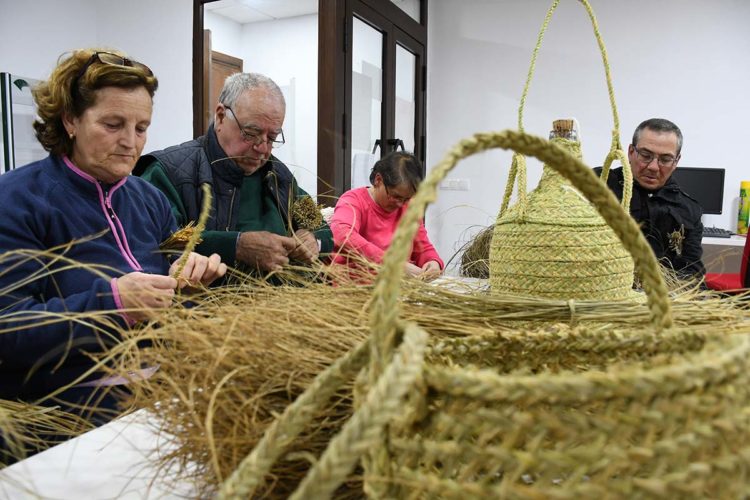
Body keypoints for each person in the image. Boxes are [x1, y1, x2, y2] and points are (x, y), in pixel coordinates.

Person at [0, 49, 227, 426]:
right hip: (66, 411)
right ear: (70, 119)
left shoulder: (148, 198)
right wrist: (114, 302)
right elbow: (9, 329)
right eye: (112, 124)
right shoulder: (17, 200)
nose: (130, 143)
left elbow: (172, 302)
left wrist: (190, 283)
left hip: (161, 389)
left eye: (141, 128)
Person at [135, 73, 333, 275]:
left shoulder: (278, 175)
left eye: (272, 137)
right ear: (220, 116)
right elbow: (158, 243)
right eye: (251, 133)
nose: (263, 148)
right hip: (212, 303)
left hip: (289, 300)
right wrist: (235, 246)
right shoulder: (169, 172)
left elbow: (321, 227)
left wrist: (313, 240)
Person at [604, 118, 705, 279]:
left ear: (676, 161)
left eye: (665, 160)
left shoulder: (688, 209)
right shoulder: (598, 184)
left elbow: (692, 270)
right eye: (645, 155)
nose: (653, 167)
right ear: (631, 152)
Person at [330, 151, 443, 280]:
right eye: (396, 196)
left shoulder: (410, 207)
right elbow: (342, 234)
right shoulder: (354, 200)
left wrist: (433, 262)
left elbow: (423, 247)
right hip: (356, 286)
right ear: (378, 180)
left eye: (407, 199)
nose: (401, 204)